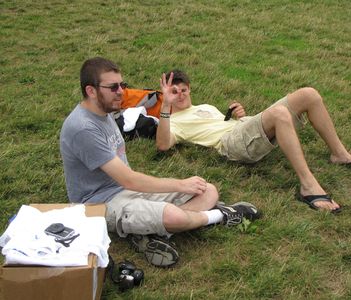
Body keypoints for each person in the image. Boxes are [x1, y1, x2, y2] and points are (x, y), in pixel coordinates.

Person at [60, 58, 260, 268]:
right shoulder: (83, 128)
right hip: (100, 202)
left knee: (207, 190)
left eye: (122, 85)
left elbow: (129, 180)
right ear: (91, 91)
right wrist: (180, 185)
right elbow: (129, 179)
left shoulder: (104, 112)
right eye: (113, 87)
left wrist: (165, 104)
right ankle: (219, 215)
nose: (121, 91)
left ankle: (150, 233)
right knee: (174, 215)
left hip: (127, 189)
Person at [156, 70, 351, 213]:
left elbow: (227, 125)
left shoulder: (205, 107)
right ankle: (308, 186)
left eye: (183, 90)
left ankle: (339, 154)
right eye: (174, 92)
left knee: (309, 94)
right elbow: (163, 145)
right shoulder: (172, 121)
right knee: (280, 113)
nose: (180, 95)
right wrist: (165, 107)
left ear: (190, 89)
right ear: (166, 95)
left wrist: (241, 117)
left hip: (241, 129)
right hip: (230, 144)